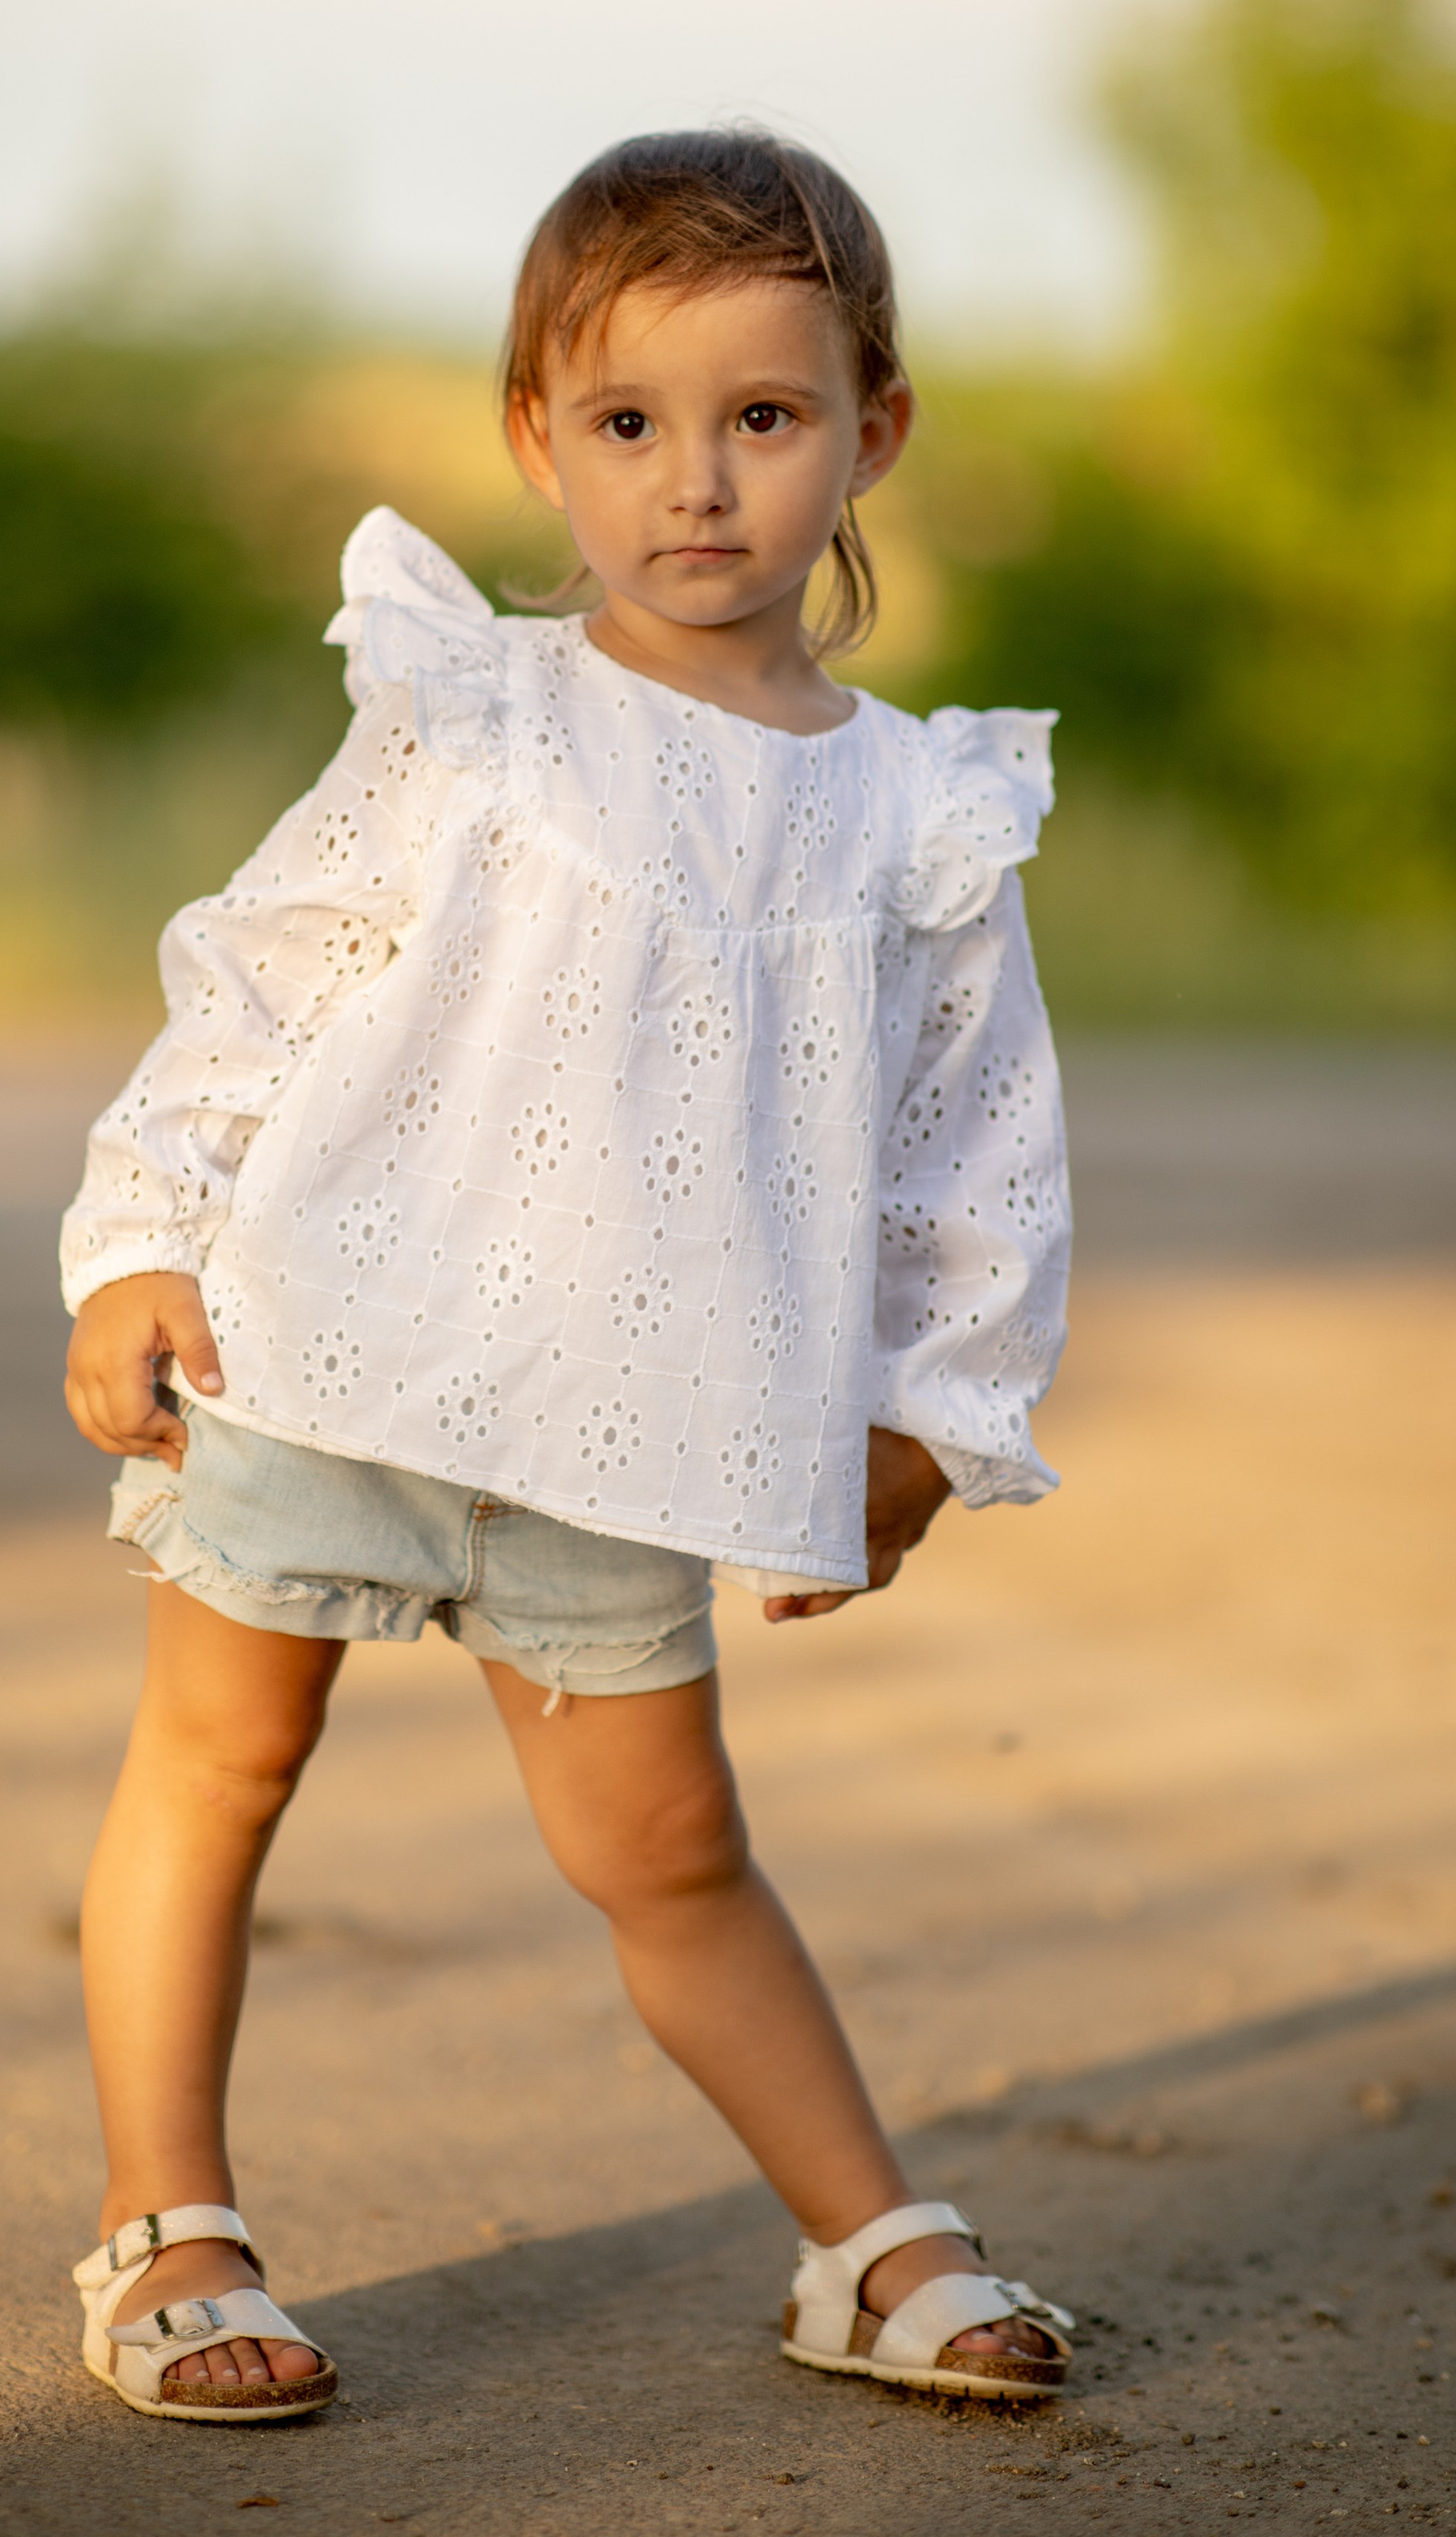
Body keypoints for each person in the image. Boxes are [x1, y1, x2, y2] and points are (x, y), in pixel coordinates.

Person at [59, 130, 1076, 2426]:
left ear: (872, 433)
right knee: (217, 1766)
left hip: (633, 1406)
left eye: (764, 418)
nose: (694, 484)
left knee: (669, 1847)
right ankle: (168, 2219)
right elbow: (269, 977)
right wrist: (141, 1238)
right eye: (628, 423)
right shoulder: (479, 714)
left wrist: (933, 1406)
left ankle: (862, 2238)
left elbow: (970, 1144)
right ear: (540, 435)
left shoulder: (917, 809)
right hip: (337, 1346)